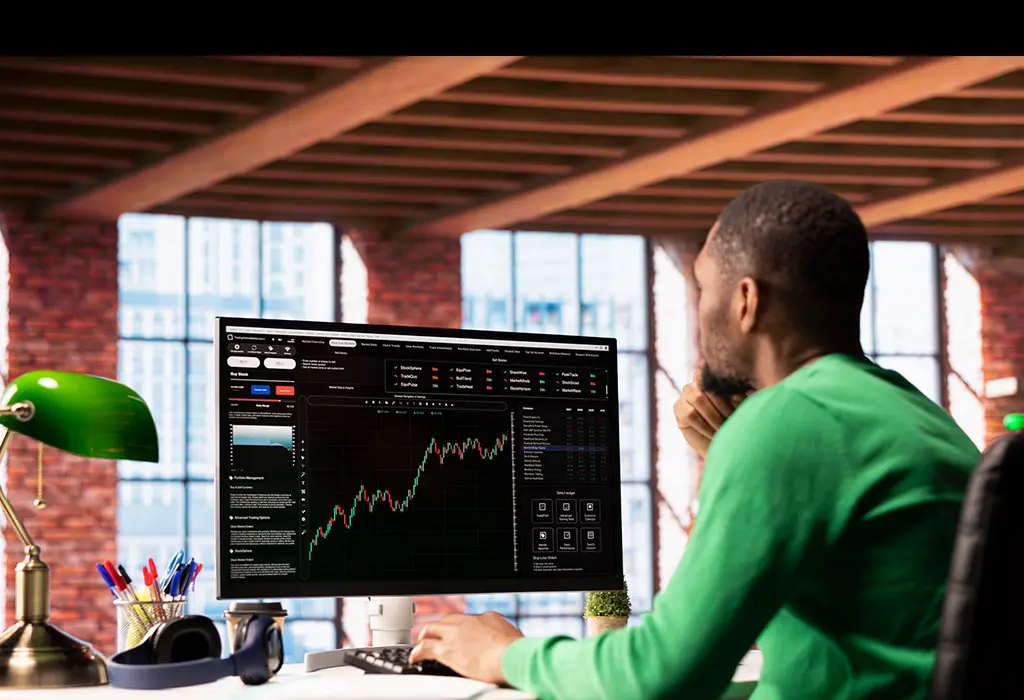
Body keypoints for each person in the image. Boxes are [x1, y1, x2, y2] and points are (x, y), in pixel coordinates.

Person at [409, 180, 980, 700]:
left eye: (703, 286)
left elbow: (661, 677)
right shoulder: (909, 411)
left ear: (746, 301)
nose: (699, 309)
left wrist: (504, 654)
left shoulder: (786, 423)